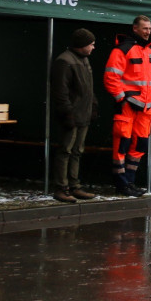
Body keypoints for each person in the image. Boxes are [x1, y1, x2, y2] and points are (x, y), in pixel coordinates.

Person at [104, 15, 151, 197]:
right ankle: (121, 183)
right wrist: (121, 99)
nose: (148, 32)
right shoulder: (122, 49)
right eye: (145, 28)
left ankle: (130, 181)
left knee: (140, 145)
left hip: (145, 107)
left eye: (149, 28)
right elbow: (111, 77)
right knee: (122, 144)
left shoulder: (149, 50)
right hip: (128, 106)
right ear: (135, 28)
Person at [51, 28, 99, 203]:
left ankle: (74, 186)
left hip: (83, 114)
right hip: (72, 114)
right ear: (82, 44)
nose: (93, 47)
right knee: (66, 150)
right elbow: (61, 92)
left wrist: (93, 105)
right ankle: (61, 188)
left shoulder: (83, 60)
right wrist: (67, 113)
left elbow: (88, 88)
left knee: (77, 151)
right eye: (91, 44)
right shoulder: (65, 61)